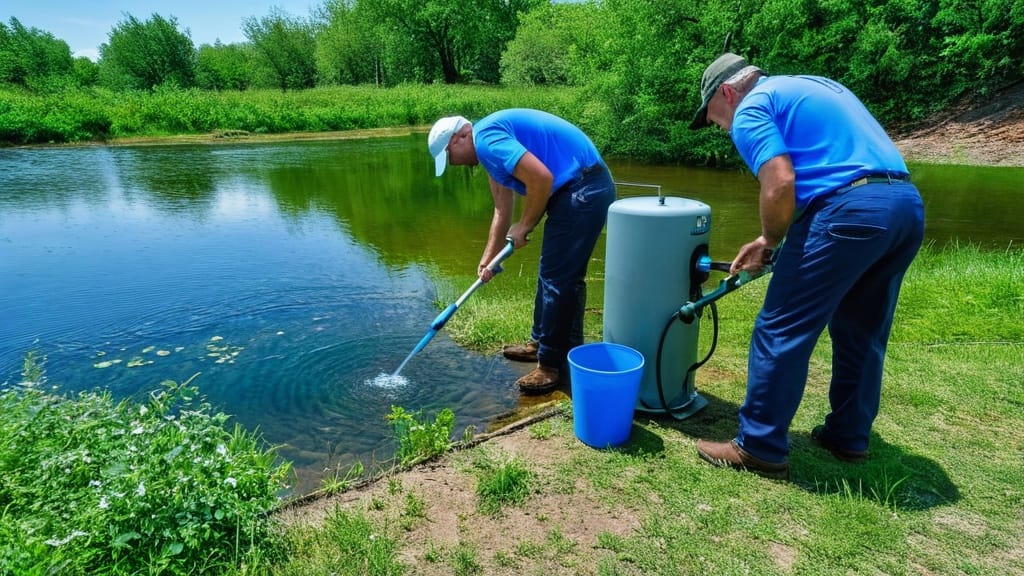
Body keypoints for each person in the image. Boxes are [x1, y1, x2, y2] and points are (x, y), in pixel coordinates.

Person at [688, 53, 925, 479]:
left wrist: (769, 240)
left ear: (727, 91)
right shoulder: (811, 85)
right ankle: (848, 437)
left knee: (780, 326)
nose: (719, 127)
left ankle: (758, 446)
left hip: (848, 210)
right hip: (904, 205)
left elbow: (779, 181)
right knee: (862, 330)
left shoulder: (752, 108)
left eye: (712, 116)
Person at [428, 109, 616, 393]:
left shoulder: (487, 140)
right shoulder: (489, 148)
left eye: (449, 156)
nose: (453, 163)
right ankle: (543, 343)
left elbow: (541, 178)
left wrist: (525, 225)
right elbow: (502, 210)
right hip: (573, 189)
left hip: (583, 187)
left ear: (459, 138)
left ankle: (550, 366)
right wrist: (488, 258)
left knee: (559, 279)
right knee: (553, 272)